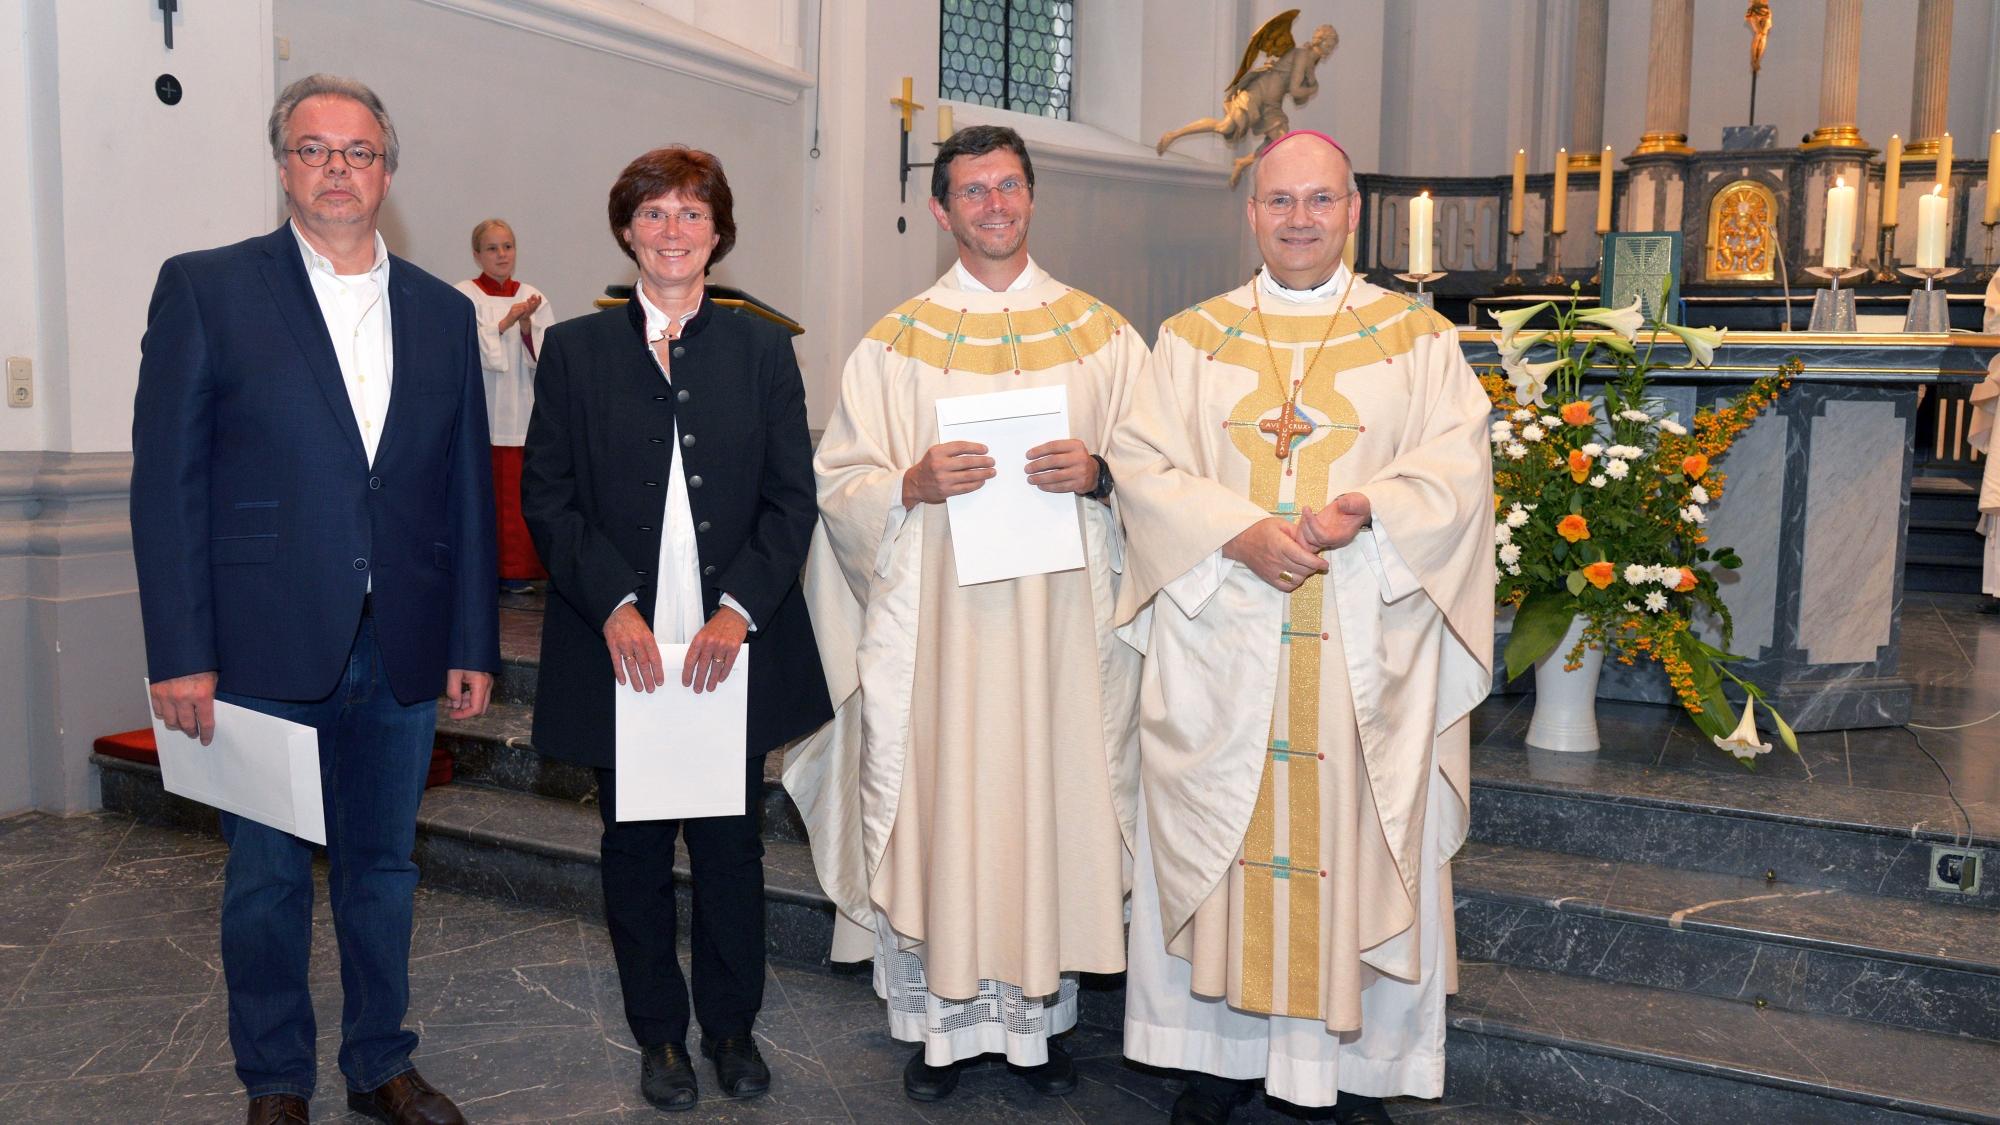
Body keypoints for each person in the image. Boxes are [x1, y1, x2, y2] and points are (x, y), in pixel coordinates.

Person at [1106, 130, 1495, 1125]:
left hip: (1362, 641)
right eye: (1279, 202)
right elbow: (1142, 470)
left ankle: (1348, 1070)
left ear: (1352, 211)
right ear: (1251, 214)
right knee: (1217, 835)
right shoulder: (1189, 340)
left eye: (1319, 201)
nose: (1298, 220)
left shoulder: (1417, 342)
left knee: (1354, 839)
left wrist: (1363, 508)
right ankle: (1217, 1056)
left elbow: (1457, 469)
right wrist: (1237, 533)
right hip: (1223, 647)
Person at [131, 73, 498, 1125]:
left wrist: (471, 637)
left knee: (384, 869)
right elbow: (168, 484)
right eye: (313, 148)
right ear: (283, 164)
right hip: (257, 644)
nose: (337, 168)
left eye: (358, 151)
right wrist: (179, 649)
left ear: (389, 168)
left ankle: (380, 1061)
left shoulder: (440, 311)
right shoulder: (208, 287)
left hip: (404, 644)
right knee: (266, 881)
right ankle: (276, 1080)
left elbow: (464, 487)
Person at [786, 124, 1144, 1102]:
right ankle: (939, 1029)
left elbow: (1163, 475)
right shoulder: (895, 343)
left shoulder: (1104, 338)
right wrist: (906, 482)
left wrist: (1102, 475)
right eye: (972, 190)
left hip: (1063, 639)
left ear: (1031, 197)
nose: (994, 204)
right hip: (938, 638)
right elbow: (841, 482)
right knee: (947, 810)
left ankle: (1042, 1025)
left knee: (1050, 798)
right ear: (941, 210)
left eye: (1009, 186)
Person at [520, 146, 830, 1113]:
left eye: (691, 214)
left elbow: (792, 500)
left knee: (733, 846)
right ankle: (660, 1036)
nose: (671, 231)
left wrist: (740, 611)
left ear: (717, 234)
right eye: (652, 214)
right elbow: (549, 496)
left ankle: (732, 1030)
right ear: (626, 230)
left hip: (729, 642)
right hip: (621, 647)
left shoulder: (762, 348)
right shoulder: (573, 350)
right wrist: (612, 602)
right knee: (637, 848)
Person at [454, 218, 555, 593]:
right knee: (482, 493)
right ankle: (479, 568)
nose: (502, 255)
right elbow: (460, 347)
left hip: (521, 409)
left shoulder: (533, 296)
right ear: (477, 254)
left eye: (508, 246)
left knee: (516, 495)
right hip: (480, 406)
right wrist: (504, 322)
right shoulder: (463, 294)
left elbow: (546, 357)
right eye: (493, 248)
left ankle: (517, 570)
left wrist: (527, 326)